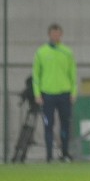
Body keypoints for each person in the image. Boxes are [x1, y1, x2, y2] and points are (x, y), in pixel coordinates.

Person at [32, 23, 77, 162]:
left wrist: (73, 92)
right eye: (53, 33)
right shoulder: (41, 52)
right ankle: (49, 155)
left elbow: (72, 74)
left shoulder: (67, 52)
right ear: (49, 35)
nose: (55, 36)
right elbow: (36, 75)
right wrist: (37, 94)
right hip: (47, 94)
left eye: (58, 33)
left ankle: (64, 153)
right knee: (48, 125)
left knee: (65, 124)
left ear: (61, 35)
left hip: (64, 93)